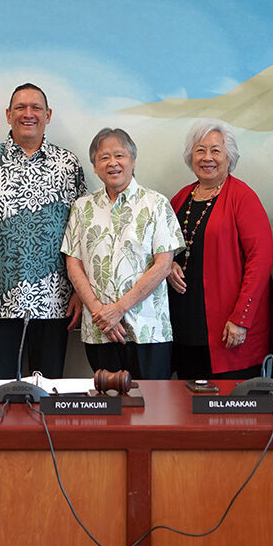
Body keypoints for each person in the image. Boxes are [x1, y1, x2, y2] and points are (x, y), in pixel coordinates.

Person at [0, 83, 87, 379]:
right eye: (20, 108)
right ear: (8, 115)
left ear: (48, 115)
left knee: (47, 394)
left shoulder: (68, 164)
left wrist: (78, 290)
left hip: (54, 300)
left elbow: (81, 231)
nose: (28, 114)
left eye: (36, 108)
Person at [62, 128, 184, 379]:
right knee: (107, 409)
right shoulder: (82, 207)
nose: (112, 163)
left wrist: (118, 309)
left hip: (148, 330)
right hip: (100, 331)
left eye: (120, 155)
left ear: (133, 161)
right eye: (104, 157)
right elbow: (73, 264)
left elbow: (163, 265)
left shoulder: (156, 204)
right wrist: (101, 314)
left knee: (152, 408)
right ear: (95, 167)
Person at [166, 120, 273, 380]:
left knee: (229, 414)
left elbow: (261, 262)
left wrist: (241, 319)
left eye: (215, 150)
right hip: (184, 328)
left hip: (228, 330)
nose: (207, 158)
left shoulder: (243, 197)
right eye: (200, 150)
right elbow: (162, 249)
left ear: (229, 156)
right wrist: (169, 266)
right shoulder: (181, 198)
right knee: (187, 409)